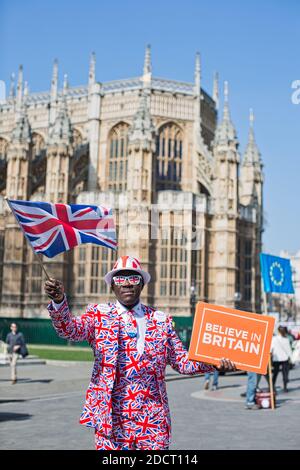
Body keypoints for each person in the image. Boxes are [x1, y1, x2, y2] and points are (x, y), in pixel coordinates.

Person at [44, 255, 236, 451]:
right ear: (112, 286)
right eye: (120, 279)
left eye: (133, 279)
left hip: (152, 419)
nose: (127, 284)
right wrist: (59, 301)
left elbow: (182, 362)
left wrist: (214, 363)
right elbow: (69, 330)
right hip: (112, 419)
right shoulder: (98, 315)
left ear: (142, 284)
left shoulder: (162, 321)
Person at [271, 325, 293, 393]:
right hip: (285, 358)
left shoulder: (274, 339)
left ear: (278, 331)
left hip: (276, 358)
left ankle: (272, 387)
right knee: (285, 374)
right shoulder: (286, 339)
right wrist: (291, 359)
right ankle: (285, 387)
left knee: (275, 373)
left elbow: (271, 349)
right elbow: (289, 350)